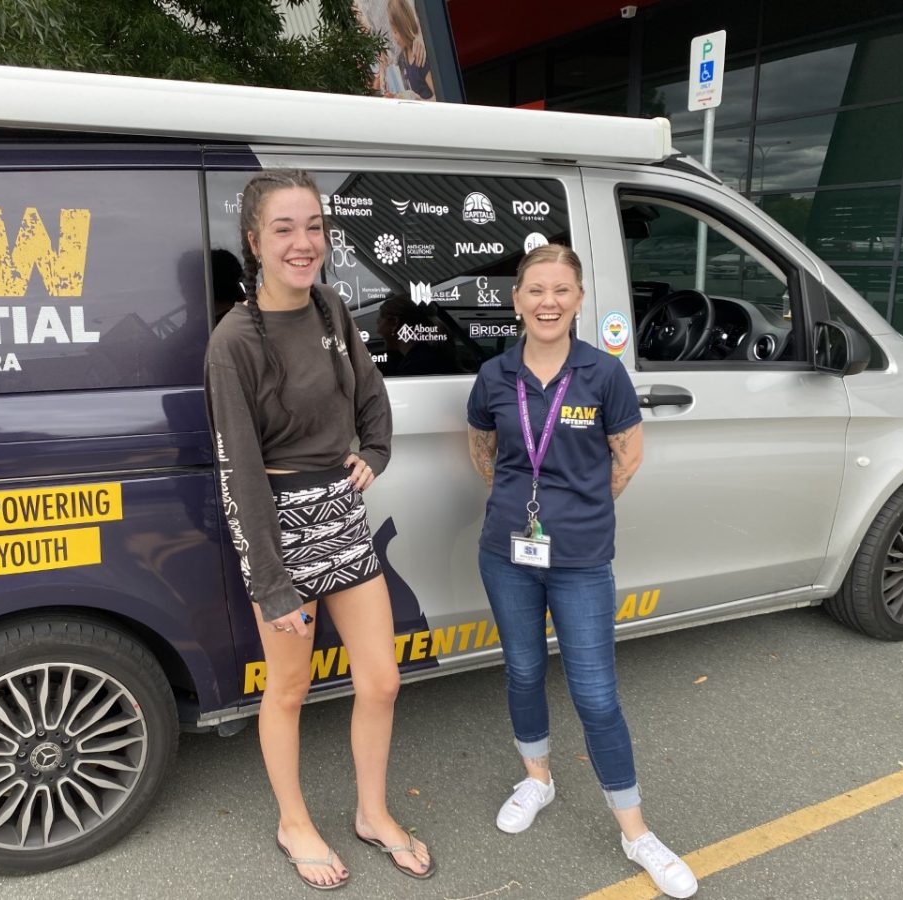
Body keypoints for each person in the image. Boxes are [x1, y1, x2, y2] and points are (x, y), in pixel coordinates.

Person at [203, 169, 434, 891]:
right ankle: (293, 821)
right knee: (290, 689)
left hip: (343, 519)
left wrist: (374, 453)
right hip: (279, 529)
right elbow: (237, 474)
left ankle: (370, 812)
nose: (303, 244)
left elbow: (371, 397)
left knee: (382, 680)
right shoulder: (232, 343)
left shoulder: (333, 309)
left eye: (313, 228)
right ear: (255, 242)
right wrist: (271, 584)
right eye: (284, 229)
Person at [465, 244, 698, 899]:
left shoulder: (603, 374)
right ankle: (538, 780)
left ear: (578, 299)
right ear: (516, 300)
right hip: (506, 554)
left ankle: (636, 831)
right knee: (522, 669)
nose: (548, 301)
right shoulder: (493, 375)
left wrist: (583, 512)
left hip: (582, 560)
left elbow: (629, 453)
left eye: (561, 290)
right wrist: (516, 501)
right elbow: (483, 448)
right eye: (536, 290)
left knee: (596, 696)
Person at [386, 0, 435, 100]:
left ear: (403, 27)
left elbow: (439, 96)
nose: (394, 37)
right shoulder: (401, 59)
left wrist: (422, 101)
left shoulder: (420, 57)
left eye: (395, 32)